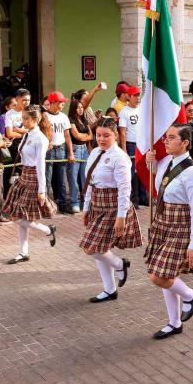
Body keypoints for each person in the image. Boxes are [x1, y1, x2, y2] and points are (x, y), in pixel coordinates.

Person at [144, 123, 193, 339]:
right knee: (167, 275)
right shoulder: (167, 162)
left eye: (171, 138)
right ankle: (174, 322)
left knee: (158, 276)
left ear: (185, 142)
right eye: (166, 137)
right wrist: (151, 165)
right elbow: (160, 186)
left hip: (181, 226)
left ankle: (191, 295)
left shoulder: (191, 172)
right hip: (164, 221)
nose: (166, 141)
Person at [78, 117, 142, 302]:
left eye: (106, 135)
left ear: (115, 135)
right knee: (99, 248)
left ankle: (120, 264)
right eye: (98, 135)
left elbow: (124, 189)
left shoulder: (119, 157)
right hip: (97, 204)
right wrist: (85, 207)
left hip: (114, 206)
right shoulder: (95, 153)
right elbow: (89, 182)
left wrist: (121, 217)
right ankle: (109, 289)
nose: (101, 139)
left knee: (92, 248)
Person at [0, 105, 57, 264]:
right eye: (22, 117)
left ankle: (48, 230)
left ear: (35, 119)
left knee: (17, 217)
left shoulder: (40, 138)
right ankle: (23, 252)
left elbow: (41, 166)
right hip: (24, 175)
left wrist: (42, 190)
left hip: (33, 178)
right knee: (19, 217)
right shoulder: (27, 134)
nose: (22, 121)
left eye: (26, 118)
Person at [118, 85, 148, 207]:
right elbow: (123, 132)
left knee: (142, 170)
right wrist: (124, 149)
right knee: (131, 172)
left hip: (142, 144)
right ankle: (132, 198)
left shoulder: (142, 109)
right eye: (135, 95)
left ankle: (143, 196)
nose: (137, 97)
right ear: (129, 97)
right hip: (131, 144)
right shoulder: (124, 111)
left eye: (138, 95)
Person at [44, 92, 74, 212]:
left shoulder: (63, 117)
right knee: (47, 178)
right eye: (61, 102)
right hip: (49, 150)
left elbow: (67, 136)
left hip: (61, 148)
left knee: (62, 179)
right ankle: (45, 204)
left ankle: (62, 203)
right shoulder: (44, 116)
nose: (63, 104)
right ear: (53, 103)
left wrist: (70, 152)